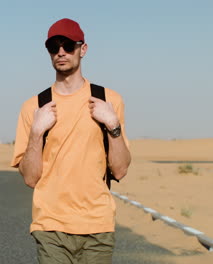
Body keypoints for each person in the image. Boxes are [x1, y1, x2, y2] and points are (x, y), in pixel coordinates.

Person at [11, 18, 131, 264]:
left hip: (97, 224)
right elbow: (30, 178)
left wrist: (113, 125)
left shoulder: (109, 100)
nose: (61, 52)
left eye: (68, 45)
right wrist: (36, 132)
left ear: (83, 49)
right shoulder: (33, 107)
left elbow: (120, 169)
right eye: (54, 47)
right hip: (51, 225)